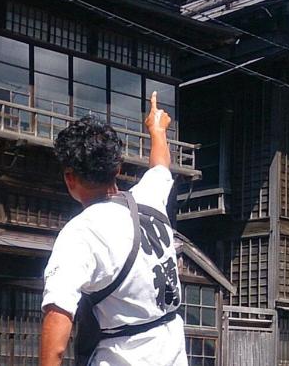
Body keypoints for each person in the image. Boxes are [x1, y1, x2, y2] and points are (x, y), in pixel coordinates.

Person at [39, 92, 183, 366]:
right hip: (173, 349)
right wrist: (157, 128)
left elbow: (58, 323)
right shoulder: (149, 199)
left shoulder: (80, 233)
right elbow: (161, 166)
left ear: (70, 178)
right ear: (117, 167)